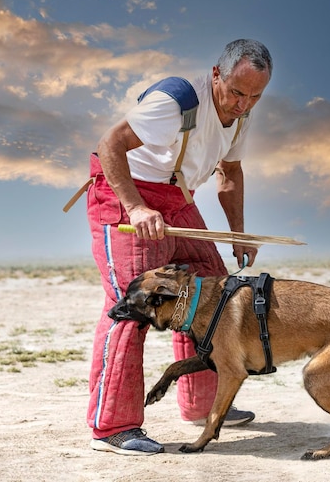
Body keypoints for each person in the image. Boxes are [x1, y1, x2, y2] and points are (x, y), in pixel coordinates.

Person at [86, 39, 273, 455]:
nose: (243, 105)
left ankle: (202, 403)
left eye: (255, 96)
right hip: (124, 194)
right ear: (216, 75)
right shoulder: (176, 101)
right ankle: (112, 427)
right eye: (237, 93)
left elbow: (231, 172)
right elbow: (110, 144)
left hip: (177, 199)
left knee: (213, 293)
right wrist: (134, 208)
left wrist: (237, 232)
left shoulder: (242, 117)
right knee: (133, 305)